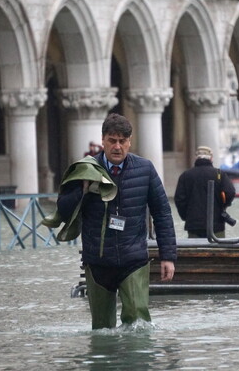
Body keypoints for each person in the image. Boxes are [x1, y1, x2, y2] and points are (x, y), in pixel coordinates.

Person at [56, 113, 177, 329]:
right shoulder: (85, 170)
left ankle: (137, 363)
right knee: (102, 329)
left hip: (134, 260)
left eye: (123, 141)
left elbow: (162, 213)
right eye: (112, 140)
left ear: (130, 142)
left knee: (139, 325)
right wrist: (81, 190)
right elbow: (64, 212)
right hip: (97, 262)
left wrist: (168, 256)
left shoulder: (145, 169)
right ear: (103, 140)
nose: (117, 147)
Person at [174, 146, 236, 238]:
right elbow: (230, 192)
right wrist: (222, 206)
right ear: (211, 158)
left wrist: (186, 216)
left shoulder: (185, 175)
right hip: (216, 225)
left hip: (193, 225)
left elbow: (179, 199)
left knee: (195, 251)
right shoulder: (219, 174)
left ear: (196, 158)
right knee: (217, 250)